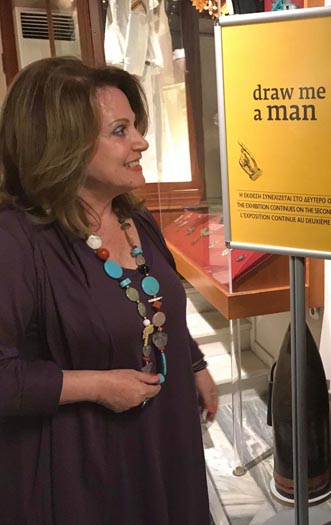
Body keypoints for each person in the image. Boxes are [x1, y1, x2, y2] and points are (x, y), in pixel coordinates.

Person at [0, 57, 218, 524]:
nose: (141, 142)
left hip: (164, 434)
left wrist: (194, 364)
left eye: (135, 126)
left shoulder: (134, 217)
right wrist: (97, 386)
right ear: (62, 144)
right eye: (120, 131)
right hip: (85, 463)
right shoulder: (17, 241)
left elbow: (155, 307)